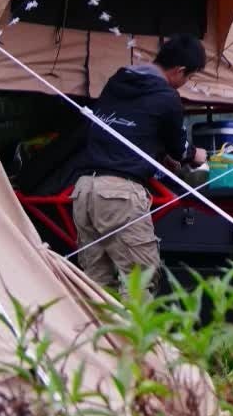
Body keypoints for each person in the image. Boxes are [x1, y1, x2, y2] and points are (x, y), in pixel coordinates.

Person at [71, 34, 209, 290]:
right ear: (179, 71)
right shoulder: (167, 97)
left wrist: (156, 153)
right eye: (188, 77)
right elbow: (180, 149)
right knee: (140, 281)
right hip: (120, 195)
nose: (185, 83)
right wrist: (196, 154)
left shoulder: (118, 81)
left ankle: (93, 330)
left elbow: (131, 127)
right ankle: (130, 332)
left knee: (97, 285)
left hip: (83, 191)